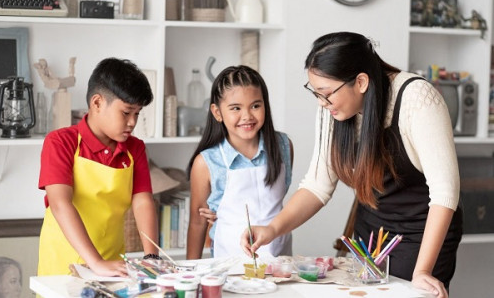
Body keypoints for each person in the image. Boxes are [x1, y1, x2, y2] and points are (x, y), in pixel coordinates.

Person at [241, 32, 462, 298]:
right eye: (316, 94)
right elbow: (317, 185)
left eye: (326, 94)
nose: (322, 104)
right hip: (371, 235)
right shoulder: (332, 108)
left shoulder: (416, 98)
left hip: (422, 234)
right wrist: (273, 229)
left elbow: (445, 192)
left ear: (360, 82)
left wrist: (423, 271)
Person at [38, 58, 160, 277]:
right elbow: (60, 204)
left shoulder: (135, 148)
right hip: (62, 267)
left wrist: (152, 258)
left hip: (113, 264)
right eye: (126, 112)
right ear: (97, 103)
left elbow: (142, 201)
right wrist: (95, 262)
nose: (133, 122)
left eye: (137, 113)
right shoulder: (60, 142)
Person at [186, 65, 294, 259]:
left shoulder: (284, 146)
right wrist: (189, 272)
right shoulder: (206, 162)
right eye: (236, 108)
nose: (247, 116)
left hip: (280, 258)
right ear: (217, 112)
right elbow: (197, 222)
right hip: (229, 262)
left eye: (255, 105)